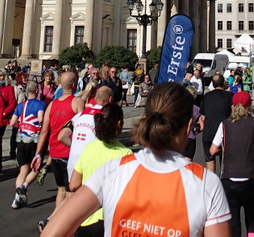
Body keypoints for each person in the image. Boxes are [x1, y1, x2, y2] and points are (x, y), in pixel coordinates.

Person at [40, 82, 231, 237]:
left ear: (146, 118)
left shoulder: (113, 169)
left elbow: (52, 232)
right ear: (189, 126)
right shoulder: (206, 183)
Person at [210, 90, 254, 237]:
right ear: (249, 106)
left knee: (233, 222)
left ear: (233, 106)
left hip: (229, 177)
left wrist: (224, 149)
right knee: (252, 220)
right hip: (251, 177)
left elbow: (212, 150)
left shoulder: (224, 124)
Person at [66, 102, 132, 237]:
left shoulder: (89, 148)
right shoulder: (125, 154)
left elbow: (73, 185)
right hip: (109, 220)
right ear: (119, 124)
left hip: (85, 218)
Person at [33, 71, 86, 230]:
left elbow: (43, 131)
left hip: (54, 153)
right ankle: (53, 222)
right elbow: (83, 127)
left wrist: (38, 154)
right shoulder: (77, 102)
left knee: (61, 190)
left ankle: (56, 223)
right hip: (70, 154)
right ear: (74, 85)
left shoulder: (52, 104)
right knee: (72, 193)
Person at [63, 86, 112, 182]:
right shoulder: (105, 116)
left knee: (71, 195)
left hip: (74, 161)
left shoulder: (80, 114)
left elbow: (62, 136)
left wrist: (76, 145)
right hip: (92, 163)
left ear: (95, 98)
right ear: (110, 99)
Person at [11, 78, 47, 209]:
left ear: (27, 91)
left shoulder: (21, 105)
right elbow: (41, 119)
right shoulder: (40, 104)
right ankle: (23, 187)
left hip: (21, 138)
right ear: (37, 91)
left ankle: (16, 199)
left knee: (23, 169)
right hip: (34, 139)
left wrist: (22, 126)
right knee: (35, 168)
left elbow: (12, 122)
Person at [200, 73, 233, 173]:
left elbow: (203, 117)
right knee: (224, 162)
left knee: (209, 160)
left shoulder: (206, 96)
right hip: (224, 132)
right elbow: (234, 113)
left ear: (213, 84)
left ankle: (211, 185)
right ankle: (223, 184)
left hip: (208, 132)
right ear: (224, 83)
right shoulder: (229, 96)